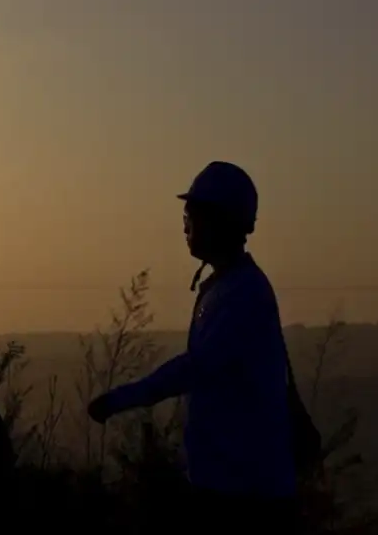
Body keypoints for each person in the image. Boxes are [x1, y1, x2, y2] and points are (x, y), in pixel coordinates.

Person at [87, 161, 299, 531]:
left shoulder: (242, 293)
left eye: (194, 215)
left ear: (223, 221)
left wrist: (122, 399)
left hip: (246, 495)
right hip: (228, 483)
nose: (186, 225)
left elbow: (196, 367)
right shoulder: (226, 287)